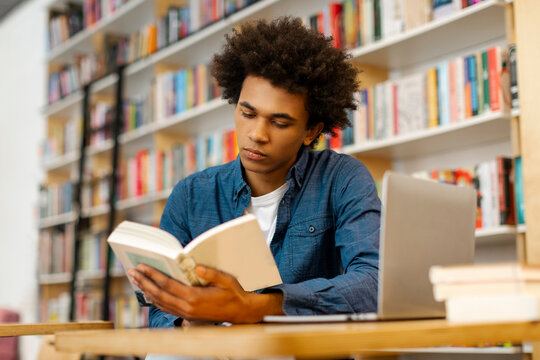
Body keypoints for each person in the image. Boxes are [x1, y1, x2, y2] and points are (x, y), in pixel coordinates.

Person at [128, 16, 381, 327]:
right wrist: (188, 319)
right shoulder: (192, 194)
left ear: (310, 130)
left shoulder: (342, 179)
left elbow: (373, 283)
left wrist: (256, 307)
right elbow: (159, 314)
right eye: (247, 113)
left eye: (279, 122)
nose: (257, 134)